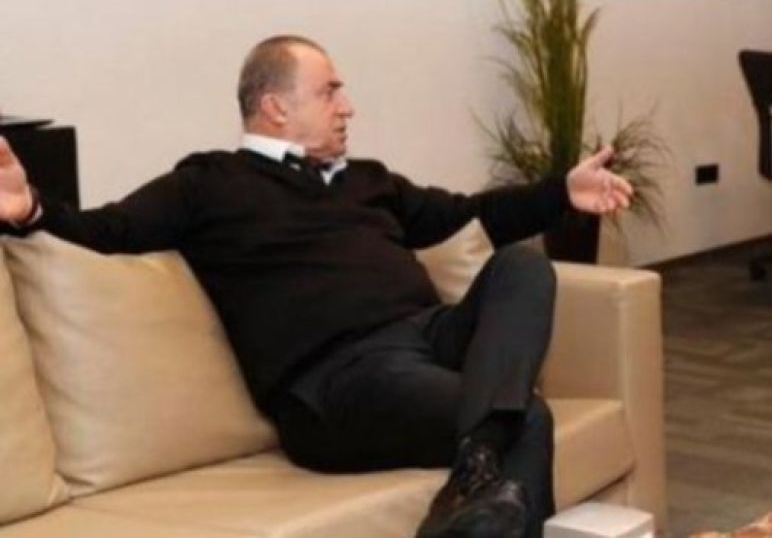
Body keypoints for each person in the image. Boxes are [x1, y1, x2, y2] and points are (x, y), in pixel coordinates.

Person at [0, 35, 635, 538]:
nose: (347, 106)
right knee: (523, 417)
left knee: (521, 268)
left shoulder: (367, 179)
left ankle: (471, 477)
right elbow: (109, 229)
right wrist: (30, 208)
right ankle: (480, 465)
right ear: (276, 106)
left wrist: (562, 193)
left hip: (428, 339)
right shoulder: (209, 183)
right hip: (337, 381)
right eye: (329, 91)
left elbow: (469, 214)